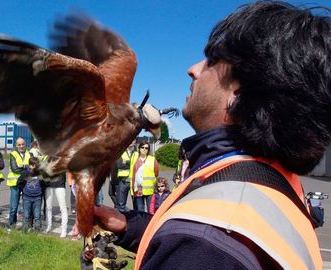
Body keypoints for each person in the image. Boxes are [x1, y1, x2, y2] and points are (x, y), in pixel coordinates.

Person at [94, 2, 328, 269]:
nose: (193, 68)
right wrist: (130, 226)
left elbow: (200, 246)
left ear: (239, 94)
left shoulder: (205, 242)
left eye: (213, 60)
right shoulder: (271, 180)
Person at [6, 137, 31, 231]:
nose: (21, 146)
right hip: (15, 183)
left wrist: (23, 166)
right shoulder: (13, 154)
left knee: (26, 207)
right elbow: (14, 168)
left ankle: (26, 226)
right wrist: (26, 168)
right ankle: (11, 225)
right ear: (16, 145)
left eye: (22, 144)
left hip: (26, 183)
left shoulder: (29, 154)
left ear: (25, 144)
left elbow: (32, 167)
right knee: (13, 207)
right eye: (19, 144)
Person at [129, 140, 159, 212]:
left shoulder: (152, 159)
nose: (144, 149)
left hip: (149, 189)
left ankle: (150, 223)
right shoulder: (134, 157)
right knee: (140, 210)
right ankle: (142, 223)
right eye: (142, 147)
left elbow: (156, 173)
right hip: (138, 189)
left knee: (150, 209)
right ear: (139, 148)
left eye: (146, 148)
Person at [18, 157, 44, 232]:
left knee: (37, 216)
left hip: (37, 198)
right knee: (26, 215)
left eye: (36, 165)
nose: (34, 167)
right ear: (29, 165)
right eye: (32, 165)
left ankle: (37, 230)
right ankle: (25, 230)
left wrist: (40, 192)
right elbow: (19, 182)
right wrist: (23, 190)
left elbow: (43, 184)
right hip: (27, 197)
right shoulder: (25, 173)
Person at [43, 169, 68, 238]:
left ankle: (64, 230)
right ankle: (48, 226)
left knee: (63, 208)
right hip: (49, 184)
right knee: (48, 207)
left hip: (59, 184)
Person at [115, 141, 136, 212]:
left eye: (133, 140)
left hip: (134, 181)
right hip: (123, 181)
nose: (131, 141)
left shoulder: (138, 152)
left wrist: (126, 162)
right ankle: (122, 220)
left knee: (136, 204)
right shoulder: (121, 152)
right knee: (121, 204)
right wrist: (132, 163)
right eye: (131, 140)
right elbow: (119, 165)